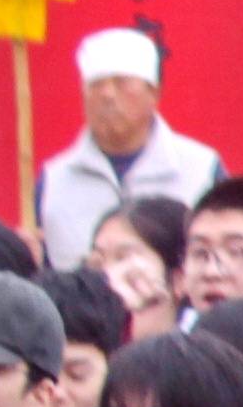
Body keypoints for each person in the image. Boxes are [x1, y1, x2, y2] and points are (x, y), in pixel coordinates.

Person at [38, 21, 223, 264]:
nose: (108, 95)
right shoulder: (55, 178)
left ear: (154, 94)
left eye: (121, 83)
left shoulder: (202, 168)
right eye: (96, 85)